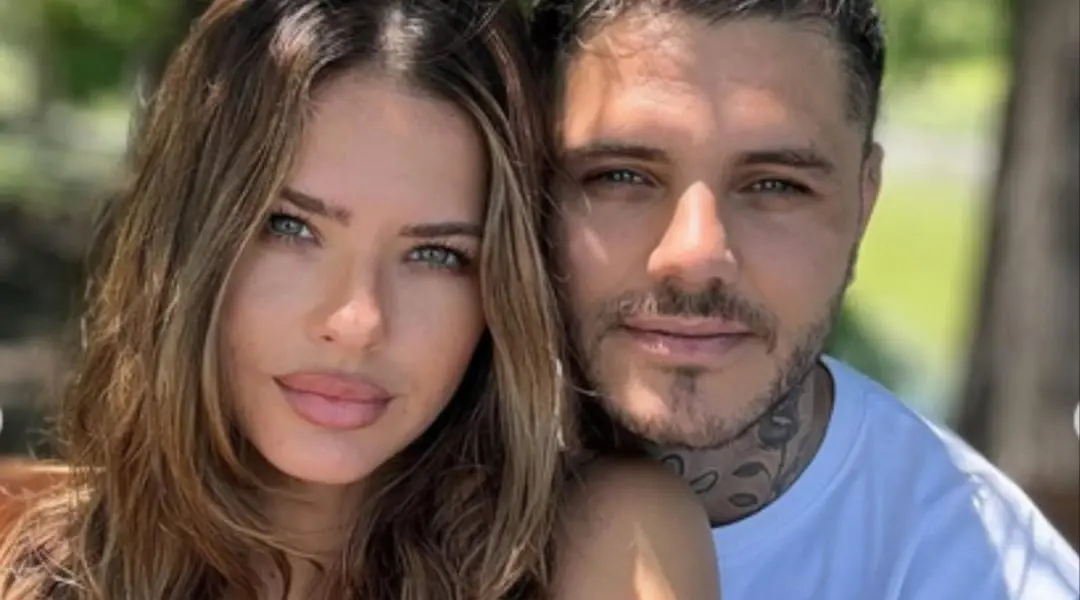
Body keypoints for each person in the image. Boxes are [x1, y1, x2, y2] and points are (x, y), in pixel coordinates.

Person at [0, 1, 720, 598]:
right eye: (291, 228)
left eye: (437, 256)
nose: (357, 322)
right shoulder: (50, 570)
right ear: (191, 242)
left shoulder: (607, 547)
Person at [531, 0, 1080, 598]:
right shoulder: (444, 489)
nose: (695, 256)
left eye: (776, 185)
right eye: (620, 175)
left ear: (863, 205)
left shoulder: (986, 575)